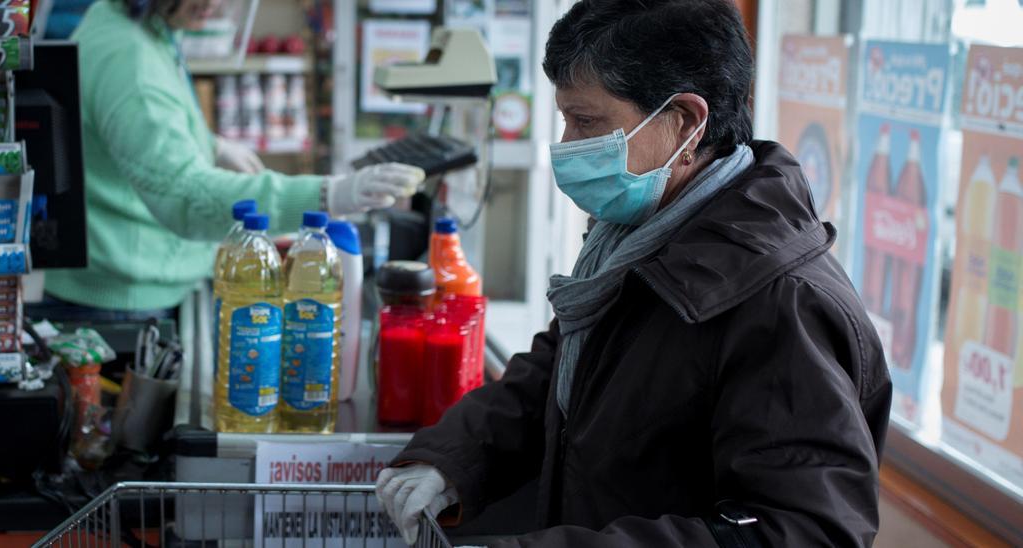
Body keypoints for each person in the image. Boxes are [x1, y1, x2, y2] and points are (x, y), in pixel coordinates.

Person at [375, 1, 892, 546]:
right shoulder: (642, 239)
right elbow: (563, 373)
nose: (567, 146)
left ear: (686, 123)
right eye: (566, 120)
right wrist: (451, 460)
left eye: (588, 122)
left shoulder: (780, 303)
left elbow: (807, 530)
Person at [41, 0, 425, 320]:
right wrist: (328, 195)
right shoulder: (129, 57)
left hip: (131, 282)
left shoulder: (127, 20)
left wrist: (207, 144)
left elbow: (130, 130)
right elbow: (184, 195)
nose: (218, 6)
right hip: (121, 302)